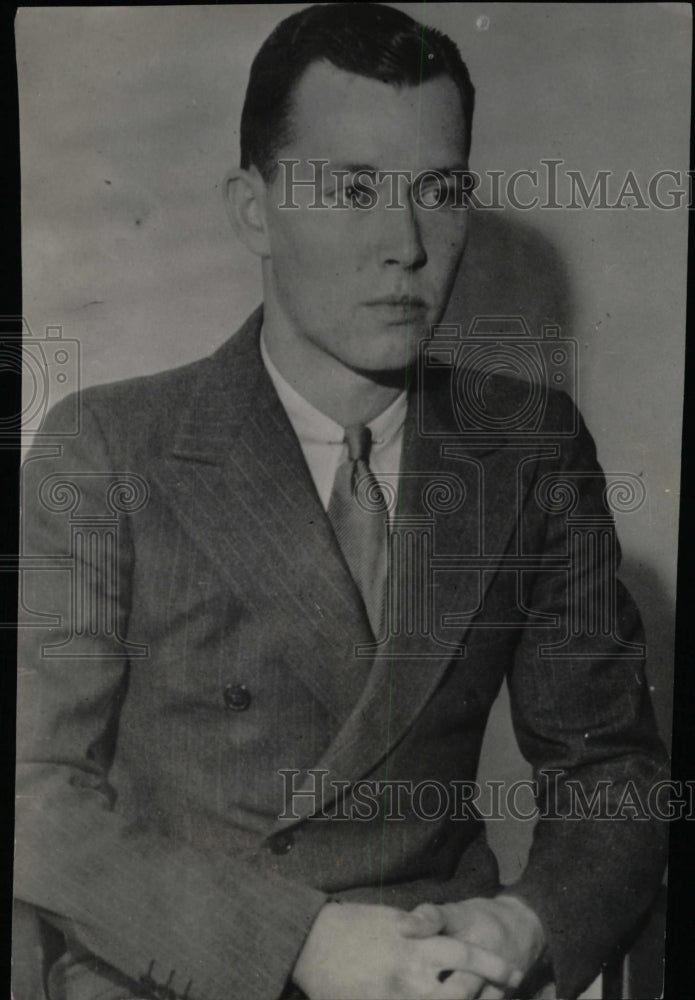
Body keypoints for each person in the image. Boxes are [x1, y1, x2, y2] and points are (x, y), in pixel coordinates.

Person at [14, 4, 668, 999]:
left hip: (444, 966)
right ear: (251, 209)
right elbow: (35, 799)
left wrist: (523, 920)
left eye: (437, 191)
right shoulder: (108, 449)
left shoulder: (526, 446)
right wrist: (296, 943)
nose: (404, 244)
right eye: (352, 188)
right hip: (183, 973)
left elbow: (611, 772)